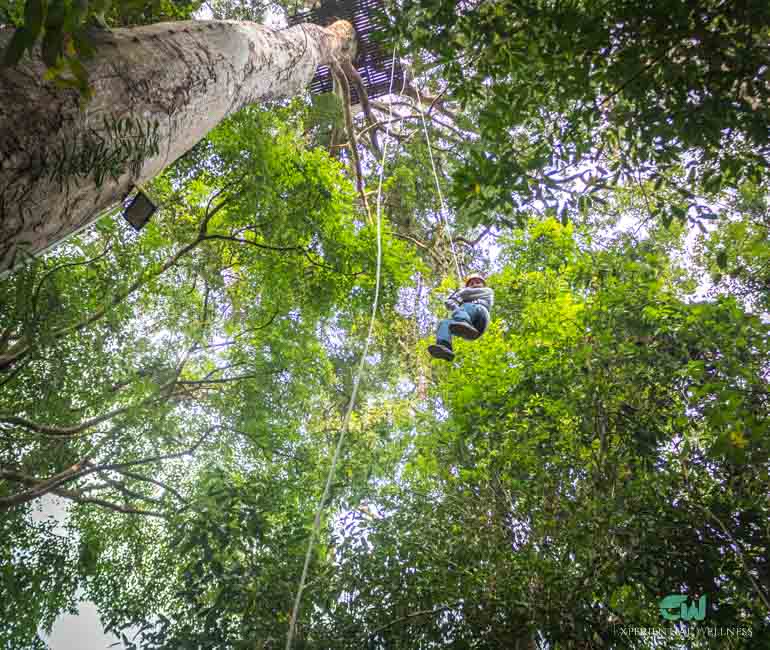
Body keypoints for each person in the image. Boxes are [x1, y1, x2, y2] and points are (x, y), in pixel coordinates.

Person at [428, 273, 493, 361]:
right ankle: (445, 346)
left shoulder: (487, 291)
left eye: (478, 282)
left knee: (465, 306)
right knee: (444, 323)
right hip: (471, 329)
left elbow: (467, 293)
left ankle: (464, 322)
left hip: (480, 316)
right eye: (472, 283)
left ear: (483, 284)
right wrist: (452, 302)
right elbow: (451, 304)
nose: (475, 285)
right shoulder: (464, 299)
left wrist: (459, 293)